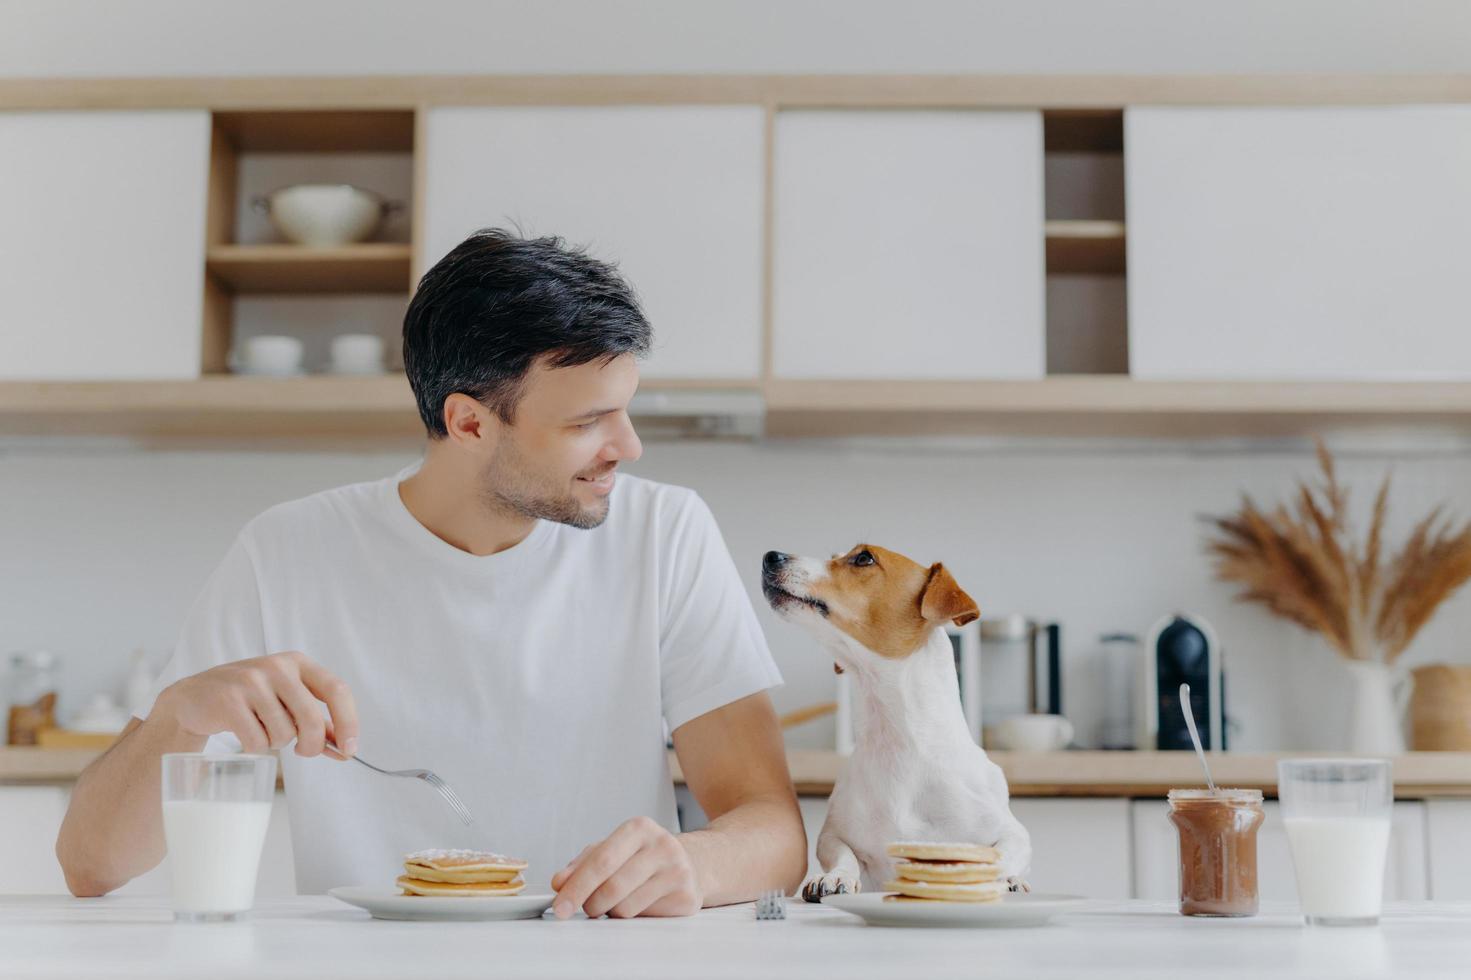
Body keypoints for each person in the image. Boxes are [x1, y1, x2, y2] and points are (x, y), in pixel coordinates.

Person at [56, 229, 807, 918]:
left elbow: (772, 830)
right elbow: (92, 866)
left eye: (624, 411)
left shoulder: (663, 534)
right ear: (469, 423)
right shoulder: (286, 552)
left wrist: (692, 865)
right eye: (586, 424)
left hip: (595, 955)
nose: (628, 447)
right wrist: (177, 720)